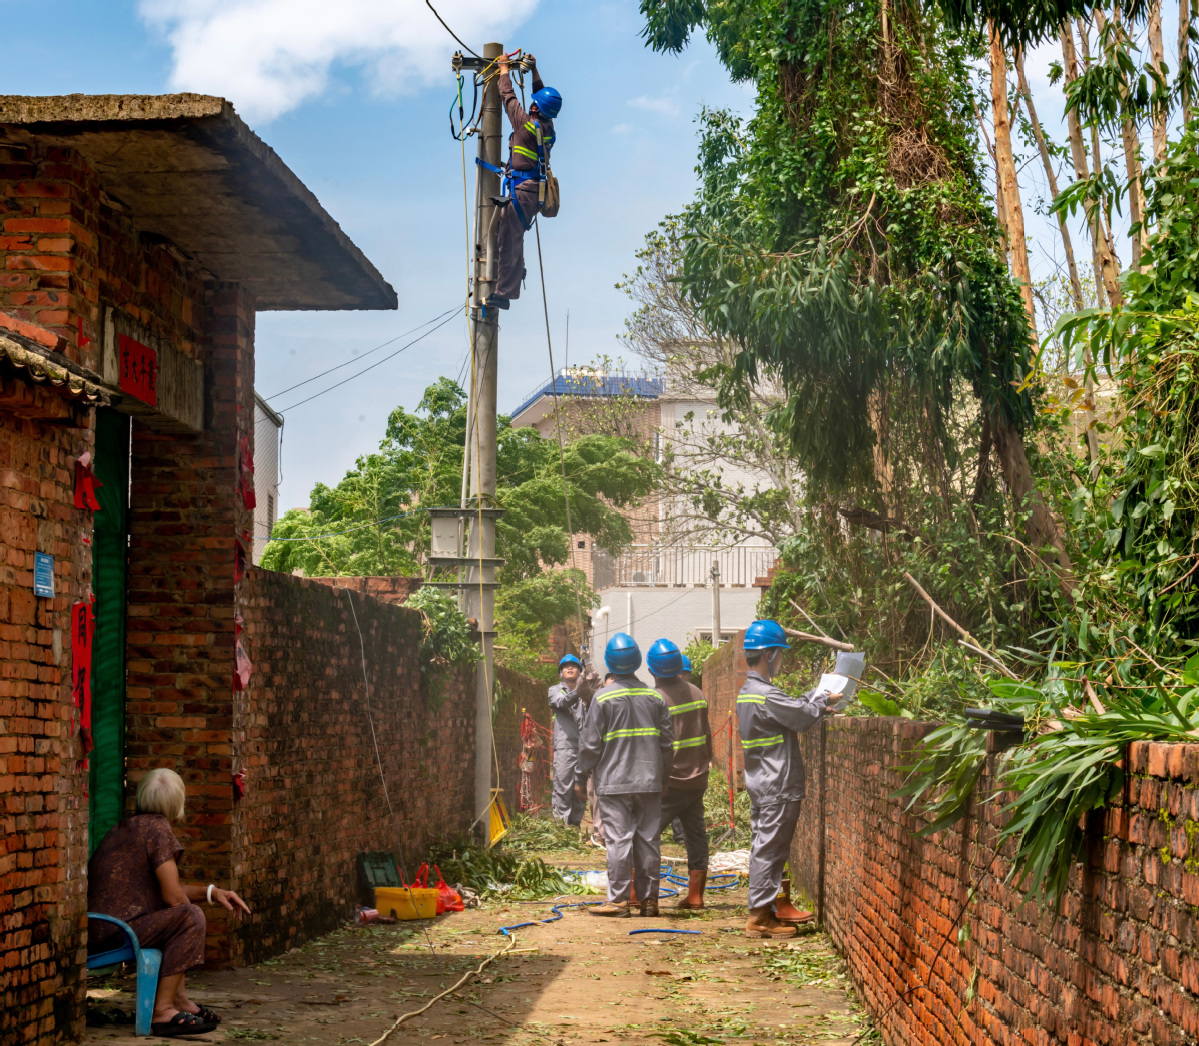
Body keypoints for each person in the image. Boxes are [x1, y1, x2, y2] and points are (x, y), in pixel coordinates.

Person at [88, 768, 251, 1036]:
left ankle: (179, 1000)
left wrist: (213, 892)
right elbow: (173, 897)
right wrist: (192, 915)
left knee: (181, 915)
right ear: (177, 803)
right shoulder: (157, 828)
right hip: (116, 931)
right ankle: (162, 1011)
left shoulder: (128, 826)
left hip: (100, 927)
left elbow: (169, 889)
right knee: (189, 916)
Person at [737, 620, 839, 939]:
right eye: (780, 653)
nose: (781, 659)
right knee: (770, 850)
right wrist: (824, 701)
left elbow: (792, 709)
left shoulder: (749, 693)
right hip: (777, 784)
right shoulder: (765, 694)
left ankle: (764, 911)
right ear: (768, 654)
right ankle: (759, 918)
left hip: (761, 781)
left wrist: (816, 697)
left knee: (763, 848)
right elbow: (801, 717)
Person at [576, 633, 673, 917]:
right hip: (649, 781)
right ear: (638, 662)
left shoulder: (603, 698)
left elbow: (590, 744)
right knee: (648, 840)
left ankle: (618, 900)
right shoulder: (655, 698)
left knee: (619, 839)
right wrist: (664, 779)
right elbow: (667, 744)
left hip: (614, 783)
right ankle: (649, 900)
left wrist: (580, 778)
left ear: (610, 664)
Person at [488, 54, 561, 311]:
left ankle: (504, 294)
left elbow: (507, 97)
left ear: (534, 109)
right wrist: (534, 70)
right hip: (530, 192)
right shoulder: (548, 125)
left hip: (523, 192)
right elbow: (542, 96)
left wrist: (504, 69)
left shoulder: (526, 126)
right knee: (510, 237)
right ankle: (514, 274)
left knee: (507, 240)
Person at [647, 639, 712, 910]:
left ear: (652, 671)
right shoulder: (697, 692)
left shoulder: (655, 699)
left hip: (669, 782)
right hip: (697, 779)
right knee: (696, 835)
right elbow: (707, 737)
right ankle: (696, 895)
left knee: (647, 836)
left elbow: (654, 745)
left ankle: (644, 896)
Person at [548, 653, 596, 825]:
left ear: (579, 671)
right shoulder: (555, 690)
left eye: (574, 666)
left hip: (585, 748)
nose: (570, 668)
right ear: (561, 673)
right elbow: (561, 703)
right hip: (565, 747)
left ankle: (574, 826)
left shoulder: (586, 693)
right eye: (566, 666)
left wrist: (589, 690)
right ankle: (561, 827)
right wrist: (579, 691)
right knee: (563, 788)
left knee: (580, 788)